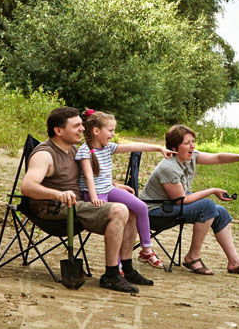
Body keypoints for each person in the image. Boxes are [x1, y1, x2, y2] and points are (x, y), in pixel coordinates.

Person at [21, 107, 153, 293]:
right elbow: (27, 186)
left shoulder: (73, 149)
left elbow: (89, 176)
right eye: (76, 126)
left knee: (130, 209)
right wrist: (57, 194)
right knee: (119, 210)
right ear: (58, 131)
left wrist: (114, 184)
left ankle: (128, 269)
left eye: (82, 125)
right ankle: (111, 275)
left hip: (76, 204)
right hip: (54, 208)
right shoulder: (45, 154)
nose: (83, 129)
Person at [140, 124, 239, 276]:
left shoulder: (189, 157)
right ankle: (193, 257)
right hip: (154, 214)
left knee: (220, 211)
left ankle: (234, 262)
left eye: (193, 141)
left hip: (170, 206)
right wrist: (211, 191)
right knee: (207, 205)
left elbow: (216, 157)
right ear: (174, 148)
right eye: (187, 143)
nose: (192, 146)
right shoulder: (168, 167)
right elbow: (181, 200)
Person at [77, 109, 176, 269]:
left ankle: (146, 249)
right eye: (110, 130)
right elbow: (89, 177)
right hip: (94, 194)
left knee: (140, 207)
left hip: (109, 189)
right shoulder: (85, 151)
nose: (113, 134)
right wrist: (94, 197)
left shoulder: (108, 148)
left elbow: (133, 146)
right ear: (96, 131)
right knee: (115, 225)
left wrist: (158, 148)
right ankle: (116, 265)